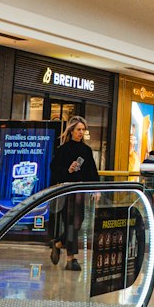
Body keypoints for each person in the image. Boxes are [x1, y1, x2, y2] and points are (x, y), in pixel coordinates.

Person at [49, 116, 99, 272]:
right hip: (66, 191)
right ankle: (71, 258)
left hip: (80, 192)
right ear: (71, 131)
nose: (81, 132)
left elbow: (92, 171)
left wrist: (96, 189)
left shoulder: (86, 150)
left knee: (77, 223)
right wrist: (68, 170)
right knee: (70, 223)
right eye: (78, 129)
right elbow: (54, 170)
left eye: (83, 130)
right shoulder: (62, 150)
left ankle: (58, 243)